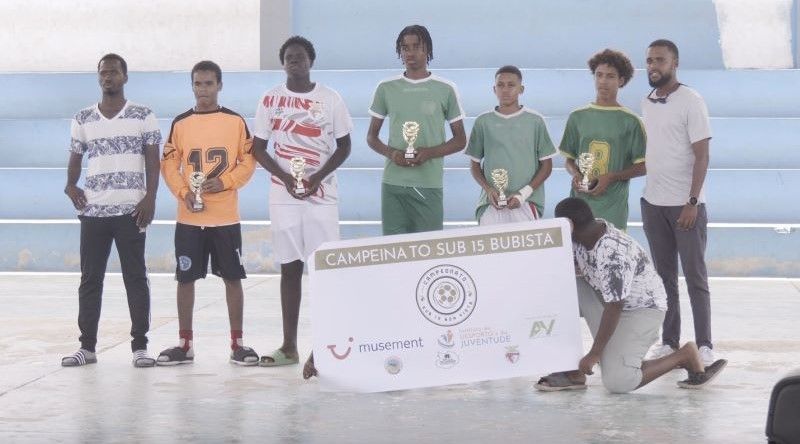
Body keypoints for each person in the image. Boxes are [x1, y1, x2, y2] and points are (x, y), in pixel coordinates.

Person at [534, 198, 727, 393]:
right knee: (557, 292)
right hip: (605, 297)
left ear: (569, 225)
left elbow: (615, 306)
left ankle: (684, 355)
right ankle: (573, 372)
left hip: (641, 310)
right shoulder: (585, 233)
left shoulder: (612, 253)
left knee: (618, 381)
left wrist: (595, 354)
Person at [251, 36, 352, 378]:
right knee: (290, 267)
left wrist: (317, 178)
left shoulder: (330, 99)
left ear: (311, 60)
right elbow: (259, 149)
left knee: (324, 271)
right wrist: (286, 178)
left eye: (300, 57)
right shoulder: (270, 99)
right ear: (283, 63)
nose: (295, 62)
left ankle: (325, 347)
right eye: (289, 58)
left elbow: (344, 146)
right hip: (284, 197)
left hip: (322, 197)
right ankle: (289, 346)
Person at [62, 53, 160, 368]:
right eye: (103, 73)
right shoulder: (83, 118)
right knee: (90, 278)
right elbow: (76, 159)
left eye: (114, 72)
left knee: (135, 277)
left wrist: (150, 198)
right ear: (99, 77)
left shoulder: (143, 115)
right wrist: (70, 185)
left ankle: (140, 347)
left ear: (125, 77)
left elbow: (153, 161)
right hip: (94, 212)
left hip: (132, 210)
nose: (108, 77)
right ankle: (87, 348)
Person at [158, 60, 258, 366]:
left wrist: (225, 181)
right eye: (198, 84)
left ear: (220, 85)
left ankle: (237, 344)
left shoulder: (235, 121)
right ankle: (185, 344)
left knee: (232, 277)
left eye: (209, 83)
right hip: (190, 218)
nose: (203, 90)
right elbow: (168, 164)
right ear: (192, 85)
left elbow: (249, 160)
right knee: (185, 278)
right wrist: (185, 193)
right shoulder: (181, 123)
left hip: (226, 217)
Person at [640, 39, 716, 366]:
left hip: (685, 206)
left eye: (660, 60)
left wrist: (692, 202)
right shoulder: (646, 102)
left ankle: (705, 345)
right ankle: (670, 342)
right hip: (652, 204)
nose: (653, 66)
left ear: (675, 63)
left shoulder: (691, 100)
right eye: (649, 61)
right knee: (664, 278)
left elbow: (702, 155)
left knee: (695, 277)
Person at [366, 24, 467, 235]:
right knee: (395, 253)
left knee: (428, 253)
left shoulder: (445, 89)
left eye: (416, 46)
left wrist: (429, 153)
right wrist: (392, 153)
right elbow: (371, 137)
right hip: (393, 184)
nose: (409, 52)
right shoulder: (386, 88)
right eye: (405, 47)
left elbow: (460, 140)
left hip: (429, 184)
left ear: (427, 49)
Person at [559, 49, 646, 230]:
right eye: (599, 75)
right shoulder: (577, 116)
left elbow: (643, 166)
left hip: (613, 210)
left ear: (621, 80)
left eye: (610, 76)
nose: (603, 81)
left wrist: (612, 177)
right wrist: (575, 173)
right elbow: (568, 159)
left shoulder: (631, 121)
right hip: (579, 208)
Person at [466, 65, 556, 224]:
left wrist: (523, 194)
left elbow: (547, 165)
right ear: (494, 89)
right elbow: (474, 164)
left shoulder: (535, 121)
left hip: (526, 202)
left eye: (511, 85)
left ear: (521, 89)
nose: (505, 90)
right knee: (491, 248)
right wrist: (489, 190)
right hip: (491, 204)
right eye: (500, 85)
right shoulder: (483, 122)